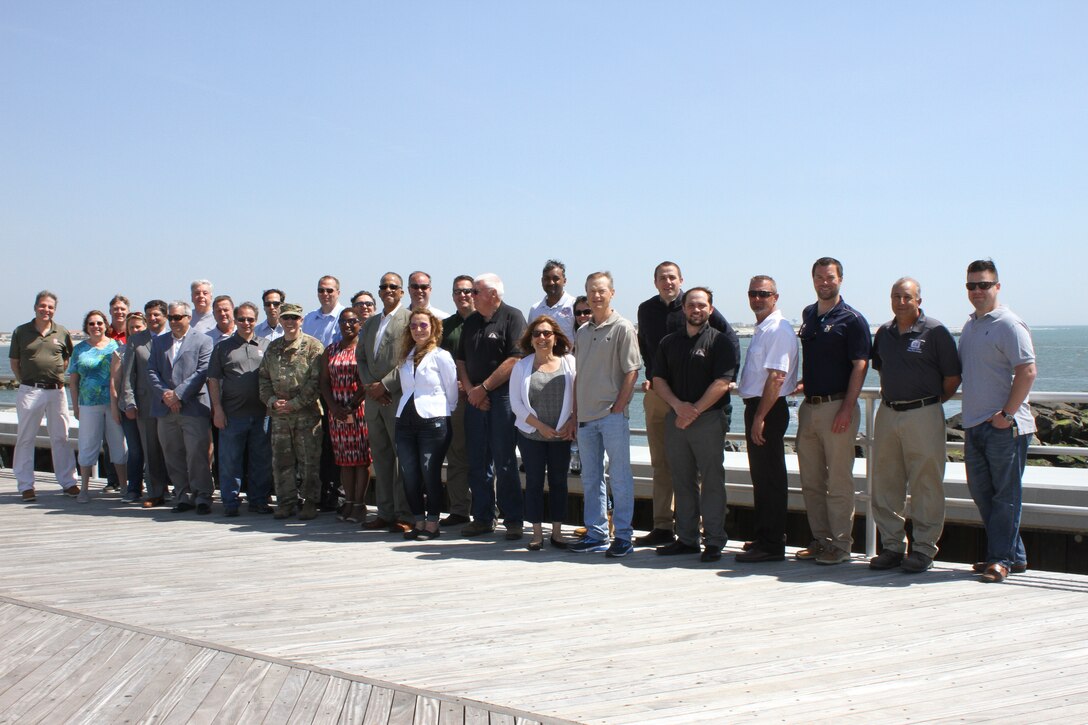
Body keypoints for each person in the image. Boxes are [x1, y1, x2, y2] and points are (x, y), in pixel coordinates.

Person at [635, 261, 740, 548]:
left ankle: (713, 537)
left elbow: (728, 354)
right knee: (671, 469)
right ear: (655, 282)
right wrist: (658, 384)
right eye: (662, 278)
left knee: (709, 475)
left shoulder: (709, 324)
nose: (667, 282)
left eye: (672, 277)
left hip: (705, 410)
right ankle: (674, 532)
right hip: (667, 402)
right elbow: (649, 355)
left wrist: (723, 384)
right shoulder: (652, 317)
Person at [868, 278, 961, 573]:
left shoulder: (936, 332)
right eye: (895, 296)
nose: (900, 302)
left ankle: (923, 549)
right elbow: (882, 370)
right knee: (886, 482)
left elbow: (952, 378)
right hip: (888, 413)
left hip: (924, 412)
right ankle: (892, 546)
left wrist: (930, 405)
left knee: (926, 483)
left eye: (907, 297)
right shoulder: (884, 333)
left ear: (919, 300)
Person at [959, 259, 1037, 583]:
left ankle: (999, 559)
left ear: (997, 287)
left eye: (984, 285)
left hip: (1006, 427)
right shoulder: (970, 326)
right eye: (972, 285)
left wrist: (1006, 415)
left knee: (1005, 496)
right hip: (975, 425)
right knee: (982, 494)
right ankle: (1012, 556)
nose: (977, 291)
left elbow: (1028, 371)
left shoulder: (1008, 323)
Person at [795, 257, 871, 565]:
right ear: (812, 279)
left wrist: (847, 408)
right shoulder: (809, 314)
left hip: (838, 407)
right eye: (819, 277)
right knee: (811, 480)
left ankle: (841, 546)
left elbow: (860, 365)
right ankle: (821, 540)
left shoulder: (852, 319)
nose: (824, 282)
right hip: (809, 408)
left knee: (839, 481)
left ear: (840, 279)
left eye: (830, 278)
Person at [570, 272, 642, 558]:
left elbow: (632, 371)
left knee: (620, 476)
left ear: (612, 292)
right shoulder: (582, 331)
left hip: (611, 416)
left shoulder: (623, 327)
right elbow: (579, 374)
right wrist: (575, 411)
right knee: (590, 478)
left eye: (601, 291)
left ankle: (623, 535)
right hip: (585, 418)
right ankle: (597, 533)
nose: (596, 296)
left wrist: (619, 406)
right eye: (591, 292)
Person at [456, 273, 527, 538]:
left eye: (475, 292)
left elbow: (515, 359)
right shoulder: (471, 321)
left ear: (493, 295)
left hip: (503, 398)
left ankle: (513, 520)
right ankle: (483, 517)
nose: (469, 296)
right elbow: (461, 361)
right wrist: (473, 391)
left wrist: (484, 388)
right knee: (477, 459)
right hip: (475, 398)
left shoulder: (513, 317)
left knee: (504, 460)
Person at [734, 276, 799, 564]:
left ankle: (772, 545)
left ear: (775, 297)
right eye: (753, 293)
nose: (757, 298)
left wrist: (760, 416)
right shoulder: (763, 329)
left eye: (763, 293)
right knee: (760, 477)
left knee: (771, 478)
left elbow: (777, 376)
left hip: (767, 409)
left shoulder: (778, 330)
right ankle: (764, 536)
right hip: (758, 407)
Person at [510, 315, 576, 551]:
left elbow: (577, 397)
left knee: (559, 482)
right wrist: (540, 427)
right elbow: (516, 404)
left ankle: (557, 532)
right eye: (537, 333)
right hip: (531, 435)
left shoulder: (569, 362)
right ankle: (537, 534)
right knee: (535, 482)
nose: (542, 338)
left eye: (547, 333)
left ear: (555, 336)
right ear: (531, 338)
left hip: (561, 435)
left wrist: (571, 422)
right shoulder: (522, 365)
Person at [356, 272, 414, 532]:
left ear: (402, 292)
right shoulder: (369, 324)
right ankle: (385, 512)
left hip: (397, 398)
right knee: (380, 459)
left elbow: (409, 358)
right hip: (373, 401)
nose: (388, 290)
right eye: (384, 286)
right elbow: (361, 359)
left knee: (402, 460)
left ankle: (404, 514)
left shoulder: (410, 320)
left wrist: (385, 386)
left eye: (394, 286)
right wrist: (371, 386)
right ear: (379, 292)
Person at [10, 291, 79, 501]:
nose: (46, 310)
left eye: (50, 307)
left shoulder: (62, 332)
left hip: (57, 391)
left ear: (54, 310)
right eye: (42, 306)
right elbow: (14, 362)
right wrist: (27, 381)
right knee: (25, 438)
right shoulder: (21, 332)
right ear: (35, 307)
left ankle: (68, 482)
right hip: (30, 390)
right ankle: (25, 485)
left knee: (61, 437)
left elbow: (67, 360)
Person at [260, 303, 326, 520]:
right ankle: (286, 502)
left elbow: (317, 381)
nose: (290, 322)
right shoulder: (273, 348)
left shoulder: (313, 346)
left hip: (306, 415)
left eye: (294, 318)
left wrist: (295, 403)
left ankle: (310, 502)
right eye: (286, 318)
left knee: (309, 461)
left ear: (301, 321)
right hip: (279, 416)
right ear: (280, 320)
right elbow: (263, 379)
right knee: (282, 461)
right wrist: (271, 400)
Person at [395, 309, 458, 539]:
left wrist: (445, 412)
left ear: (433, 328)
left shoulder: (441, 355)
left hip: (433, 421)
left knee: (430, 472)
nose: (418, 329)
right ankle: (418, 520)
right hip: (405, 420)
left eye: (423, 325)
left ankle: (433, 522)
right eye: (413, 326)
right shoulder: (406, 356)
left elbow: (451, 389)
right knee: (409, 473)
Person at [148, 301, 214, 514]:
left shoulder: (203, 340)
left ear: (188, 318)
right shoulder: (159, 342)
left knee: (197, 454)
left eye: (178, 317)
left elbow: (202, 371)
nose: (174, 321)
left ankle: (202, 495)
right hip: (166, 409)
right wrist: (166, 395)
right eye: (171, 318)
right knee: (172, 453)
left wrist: (178, 395)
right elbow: (151, 372)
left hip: (193, 407)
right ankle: (182, 495)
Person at [208, 302, 274, 516]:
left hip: (262, 414)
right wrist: (217, 409)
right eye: (242, 319)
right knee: (230, 461)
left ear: (256, 320)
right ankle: (230, 501)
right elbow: (213, 380)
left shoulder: (267, 345)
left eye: (250, 319)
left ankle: (258, 500)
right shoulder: (222, 347)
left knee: (261, 461)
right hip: (232, 415)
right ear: (235, 321)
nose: (246, 323)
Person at [319, 307, 372, 524]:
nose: (348, 325)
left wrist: (351, 404)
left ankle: (360, 504)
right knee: (344, 460)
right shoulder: (330, 350)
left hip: (358, 410)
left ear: (360, 324)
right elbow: (323, 382)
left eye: (353, 321)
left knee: (361, 459)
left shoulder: (364, 349)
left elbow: (367, 380)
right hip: (336, 412)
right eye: (344, 321)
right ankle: (348, 501)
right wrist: (333, 407)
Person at [67, 310, 125, 502]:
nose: (96, 326)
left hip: (113, 403)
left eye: (99, 323)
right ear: (87, 327)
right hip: (88, 404)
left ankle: (124, 486)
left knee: (118, 444)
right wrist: (75, 406)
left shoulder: (116, 346)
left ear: (105, 325)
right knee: (87, 444)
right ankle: (84, 488)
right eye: (91, 323)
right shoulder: (79, 349)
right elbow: (73, 381)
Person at [121, 300, 172, 508]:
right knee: (150, 451)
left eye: (157, 315)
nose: (152, 318)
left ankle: (181, 489)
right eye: (149, 315)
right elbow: (128, 375)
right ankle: (155, 492)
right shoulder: (136, 340)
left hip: (171, 403)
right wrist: (129, 402)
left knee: (173, 449)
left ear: (165, 316)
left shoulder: (174, 337)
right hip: (145, 404)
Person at [438, 275, 477, 526]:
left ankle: (487, 511)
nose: (463, 295)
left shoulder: (485, 322)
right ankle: (459, 509)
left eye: (467, 291)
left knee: (484, 457)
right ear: (452, 295)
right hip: (454, 400)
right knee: (457, 456)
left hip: (482, 398)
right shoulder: (444, 327)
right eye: (458, 292)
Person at [110, 312, 147, 502]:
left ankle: (159, 487)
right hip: (128, 409)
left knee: (152, 449)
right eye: (131, 327)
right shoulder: (120, 352)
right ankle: (134, 488)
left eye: (138, 326)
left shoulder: (152, 348)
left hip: (148, 407)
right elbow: (115, 383)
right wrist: (116, 408)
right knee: (135, 450)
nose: (134, 330)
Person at [528, 260, 577, 340]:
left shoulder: (574, 305)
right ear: (542, 281)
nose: (551, 283)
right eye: (547, 279)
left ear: (564, 281)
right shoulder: (535, 310)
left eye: (555, 279)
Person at [303, 275, 345, 346]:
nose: (325, 294)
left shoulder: (345, 316)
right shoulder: (308, 318)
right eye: (321, 290)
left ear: (338, 293)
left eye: (329, 290)